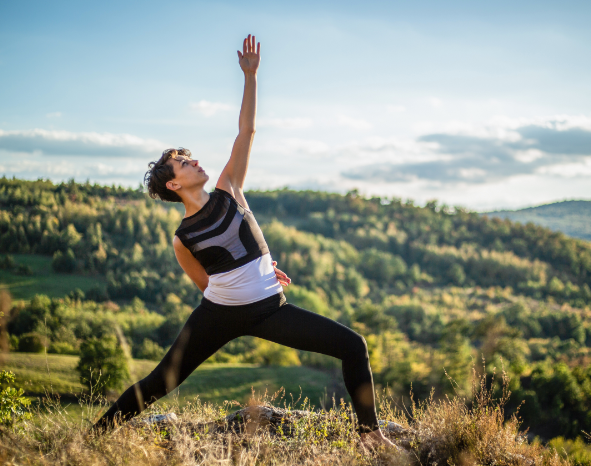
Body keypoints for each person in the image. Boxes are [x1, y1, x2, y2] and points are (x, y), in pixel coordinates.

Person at [94, 34, 396, 449]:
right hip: (219, 315)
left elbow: (247, 130)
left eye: (190, 156)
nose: (194, 160)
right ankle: (91, 437)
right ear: (174, 182)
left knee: (352, 345)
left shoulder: (228, 187)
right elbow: (206, 284)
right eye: (184, 162)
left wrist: (250, 77)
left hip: (270, 308)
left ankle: (370, 435)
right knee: (160, 381)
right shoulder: (183, 238)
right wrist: (242, 282)